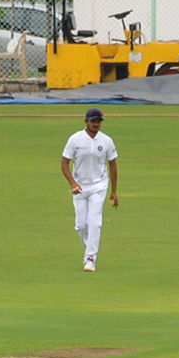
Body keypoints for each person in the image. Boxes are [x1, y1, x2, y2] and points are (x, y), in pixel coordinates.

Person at [61, 108, 119, 272]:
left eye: (98, 122)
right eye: (93, 121)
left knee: (94, 222)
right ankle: (90, 249)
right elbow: (64, 163)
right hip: (79, 186)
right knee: (81, 226)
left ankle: (90, 258)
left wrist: (114, 191)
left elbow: (113, 165)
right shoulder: (75, 139)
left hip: (99, 185)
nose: (96, 125)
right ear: (86, 121)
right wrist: (72, 183)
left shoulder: (106, 141)